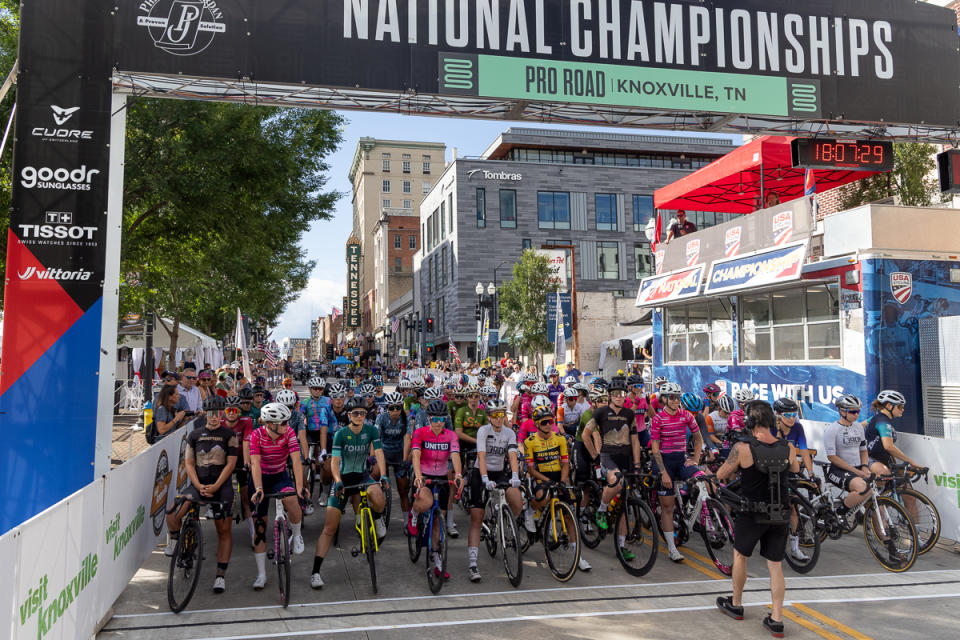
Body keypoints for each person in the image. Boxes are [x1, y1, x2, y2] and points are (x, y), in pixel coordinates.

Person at [715, 400, 798, 638]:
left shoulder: (743, 448)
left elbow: (721, 475)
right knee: (776, 566)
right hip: (779, 514)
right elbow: (794, 470)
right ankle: (777, 619)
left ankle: (737, 604)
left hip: (751, 514)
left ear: (749, 422)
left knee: (740, 556)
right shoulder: (788, 447)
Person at [310, 400, 388, 589]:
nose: (359, 416)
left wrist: (384, 475)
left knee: (378, 496)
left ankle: (377, 519)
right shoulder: (340, 434)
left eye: (362, 413)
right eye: (355, 413)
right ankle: (315, 572)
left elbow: (378, 453)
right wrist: (337, 481)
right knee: (329, 528)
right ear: (349, 415)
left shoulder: (371, 431)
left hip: (362, 476)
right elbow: (335, 462)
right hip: (343, 480)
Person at [164, 396, 238, 593]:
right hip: (198, 483)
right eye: (211, 414)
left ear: (222, 414)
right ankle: (175, 541)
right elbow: (188, 463)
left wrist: (215, 486)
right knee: (172, 512)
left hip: (221, 486)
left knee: (224, 531)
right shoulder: (195, 434)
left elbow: (231, 464)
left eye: (218, 414)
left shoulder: (229, 434)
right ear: (205, 413)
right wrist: (198, 484)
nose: (214, 418)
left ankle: (220, 576)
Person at [525, 404, 591, 572]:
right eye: (544, 422)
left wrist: (562, 481)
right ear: (537, 424)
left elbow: (565, 464)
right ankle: (530, 511)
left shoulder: (560, 439)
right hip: (541, 476)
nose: (548, 424)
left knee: (569, 517)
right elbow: (531, 469)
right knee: (543, 496)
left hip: (557, 476)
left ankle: (579, 556)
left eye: (550, 421)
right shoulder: (530, 442)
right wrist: (547, 480)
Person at [248, 402, 308, 590]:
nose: (286, 425)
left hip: (280, 476)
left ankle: (297, 534)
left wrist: (299, 487)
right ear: (270, 423)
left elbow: (296, 460)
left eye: (287, 421)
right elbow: (255, 463)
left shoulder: (289, 432)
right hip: (261, 478)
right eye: (283, 422)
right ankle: (261, 574)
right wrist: (258, 488)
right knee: (259, 527)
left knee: (291, 499)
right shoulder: (256, 435)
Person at [582, 377, 641, 563]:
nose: (618, 397)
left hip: (626, 457)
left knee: (623, 505)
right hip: (608, 456)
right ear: (609, 396)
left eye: (621, 394)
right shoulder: (600, 412)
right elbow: (586, 434)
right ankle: (601, 509)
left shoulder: (629, 414)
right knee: (615, 480)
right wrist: (594, 455)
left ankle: (622, 546)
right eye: (615, 394)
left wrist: (637, 464)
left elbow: (635, 440)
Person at [467, 399, 523, 582]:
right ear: (489, 417)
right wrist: (484, 479)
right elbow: (481, 457)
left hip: (499, 472)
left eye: (502, 414)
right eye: (495, 415)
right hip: (480, 472)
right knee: (477, 517)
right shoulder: (483, 431)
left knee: (517, 499)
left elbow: (513, 455)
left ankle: (505, 523)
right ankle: (473, 563)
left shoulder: (509, 432)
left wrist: (515, 475)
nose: (499, 419)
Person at [648, 382, 705, 562]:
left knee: (703, 479)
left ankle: (689, 507)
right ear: (664, 399)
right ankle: (672, 548)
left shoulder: (686, 415)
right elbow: (655, 448)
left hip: (681, 459)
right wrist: (663, 472)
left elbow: (698, 438)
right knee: (667, 507)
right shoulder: (658, 419)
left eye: (677, 397)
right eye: (671, 397)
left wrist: (696, 460)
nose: (675, 401)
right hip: (664, 462)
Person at [409, 399, 463, 579]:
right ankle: (414, 514)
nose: (438, 422)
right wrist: (418, 476)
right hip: (423, 474)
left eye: (442, 418)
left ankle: (436, 556)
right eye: (435, 419)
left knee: (439, 519)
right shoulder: (420, 433)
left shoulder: (451, 435)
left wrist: (458, 474)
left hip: (441, 477)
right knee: (426, 501)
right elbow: (416, 455)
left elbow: (455, 454)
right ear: (429, 418)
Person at [374, 392, 414, 531]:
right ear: (387, 408)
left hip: (399, 453)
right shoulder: (381, 417)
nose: (395, 411)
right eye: (392, 408)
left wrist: (404, 459)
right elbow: (376, 438)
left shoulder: (406, 418)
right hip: (384, 452)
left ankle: (406, 522)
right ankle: (374, 508)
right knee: (375, 473)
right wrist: (373, 456)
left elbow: (407, 438)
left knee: (403, 491)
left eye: (398, 407)